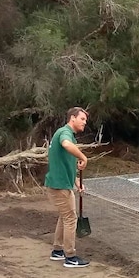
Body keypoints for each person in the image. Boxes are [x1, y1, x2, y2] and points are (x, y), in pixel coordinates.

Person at [45, 106, 90, 268]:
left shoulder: (68, 135)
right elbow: (66, 145)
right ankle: (70, 256)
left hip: (62, 183)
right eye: (82, 119)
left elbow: (67, 162)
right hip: (59, 186)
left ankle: (57, 251)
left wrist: (76, 181)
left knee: (65, 216)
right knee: (71, 218)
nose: (84, 123)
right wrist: (83, 156)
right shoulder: (65, 134)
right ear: (72, 118)